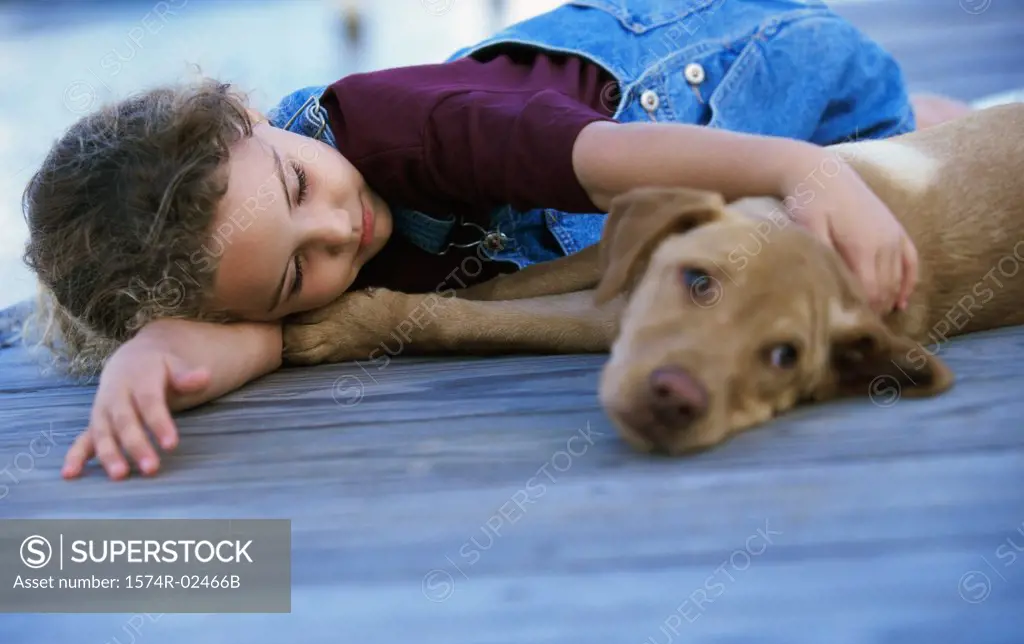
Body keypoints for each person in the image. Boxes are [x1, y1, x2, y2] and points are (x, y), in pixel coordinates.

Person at [22, 0, 971, 481]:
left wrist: (798, 171)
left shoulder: (398, 125)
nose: (338, 228)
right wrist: (173, 344)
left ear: (249, 112)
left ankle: (901, 128)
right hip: (679, 174)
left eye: (299, 183)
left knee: (865, 163)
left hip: (739, 83)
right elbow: (326, 319)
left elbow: (609, 160)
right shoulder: (278, 249)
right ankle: (941, 120)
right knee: (901, 154)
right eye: (293, 276)